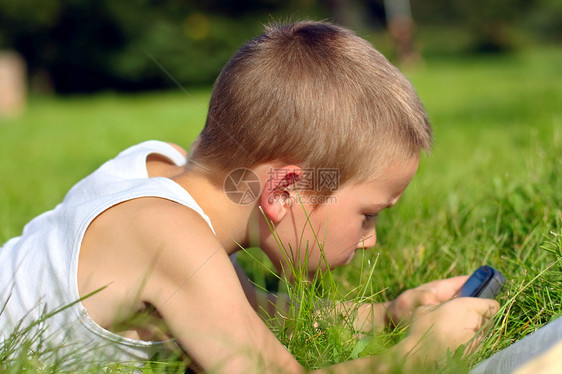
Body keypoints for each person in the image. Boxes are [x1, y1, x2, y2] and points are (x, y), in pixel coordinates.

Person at [0, 21, 499, 373]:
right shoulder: (167, 237)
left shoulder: (163, 170)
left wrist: (390, 313)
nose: (370, 240)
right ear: (283, 189)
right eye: (368, 215)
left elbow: (251, 308)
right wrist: (412, 359)